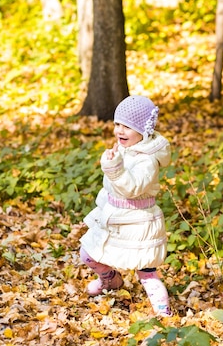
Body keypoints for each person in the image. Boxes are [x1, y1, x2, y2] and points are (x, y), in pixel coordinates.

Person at [79, 95, 173, 317]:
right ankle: (110, 280)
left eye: (127, 127)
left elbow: (132, 188)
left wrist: (114, 168)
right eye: (117, 124)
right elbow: (112, 188)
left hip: (138, 221)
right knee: (88, 253)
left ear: (143, 131)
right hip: (115, 217)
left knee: (147, 271)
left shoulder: (147, 160)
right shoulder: (125, 148)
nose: (120, 131)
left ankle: (163, 313)